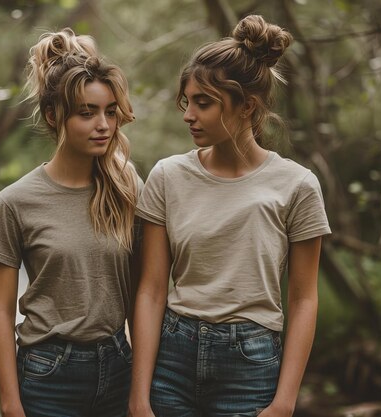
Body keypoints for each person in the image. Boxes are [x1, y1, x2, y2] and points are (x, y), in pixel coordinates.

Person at [128, 15, 331, 417]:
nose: (189, 115)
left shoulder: (298, 185)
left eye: (204, 103)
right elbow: (151, 290)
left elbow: (304, 298)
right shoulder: (167, 176)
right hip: (172, 358)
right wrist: (139, 395)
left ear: (247, 106)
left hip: (250, 366)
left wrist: (284, 402)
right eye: (187, 102)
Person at [0, 28, 141, 417]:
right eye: (87, 113)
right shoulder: (15, 201)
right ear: (53, 115)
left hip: (119, 363)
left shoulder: (126, 183)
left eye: (110, 111)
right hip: (49, 373)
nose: (103, 125)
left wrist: (143, 383)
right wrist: (10, 403)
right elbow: (0, 311)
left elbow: (141, 292)